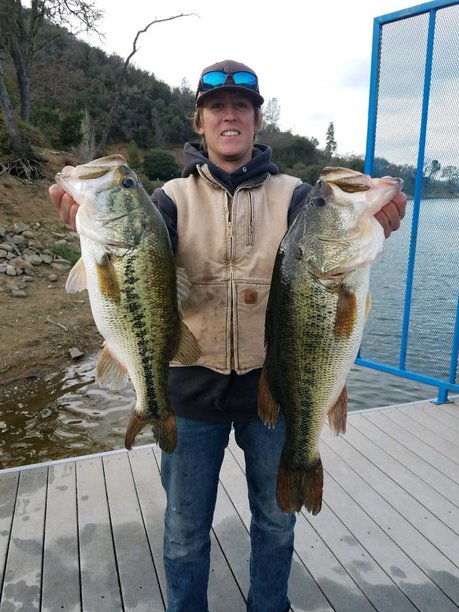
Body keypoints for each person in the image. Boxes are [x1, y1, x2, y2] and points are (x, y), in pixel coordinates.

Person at [49, 59, 407, 612]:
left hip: (276, 386)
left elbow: (336, 245)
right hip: (189, 391)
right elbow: (137, 266)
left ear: (257, 121)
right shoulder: (165, 199)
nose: (230, 115)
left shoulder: (297, 197)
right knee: (184, 531)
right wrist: (86, 219)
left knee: (275, 523)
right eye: (218, 107)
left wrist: (375, 218)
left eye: (242, 106)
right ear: (200, 122)